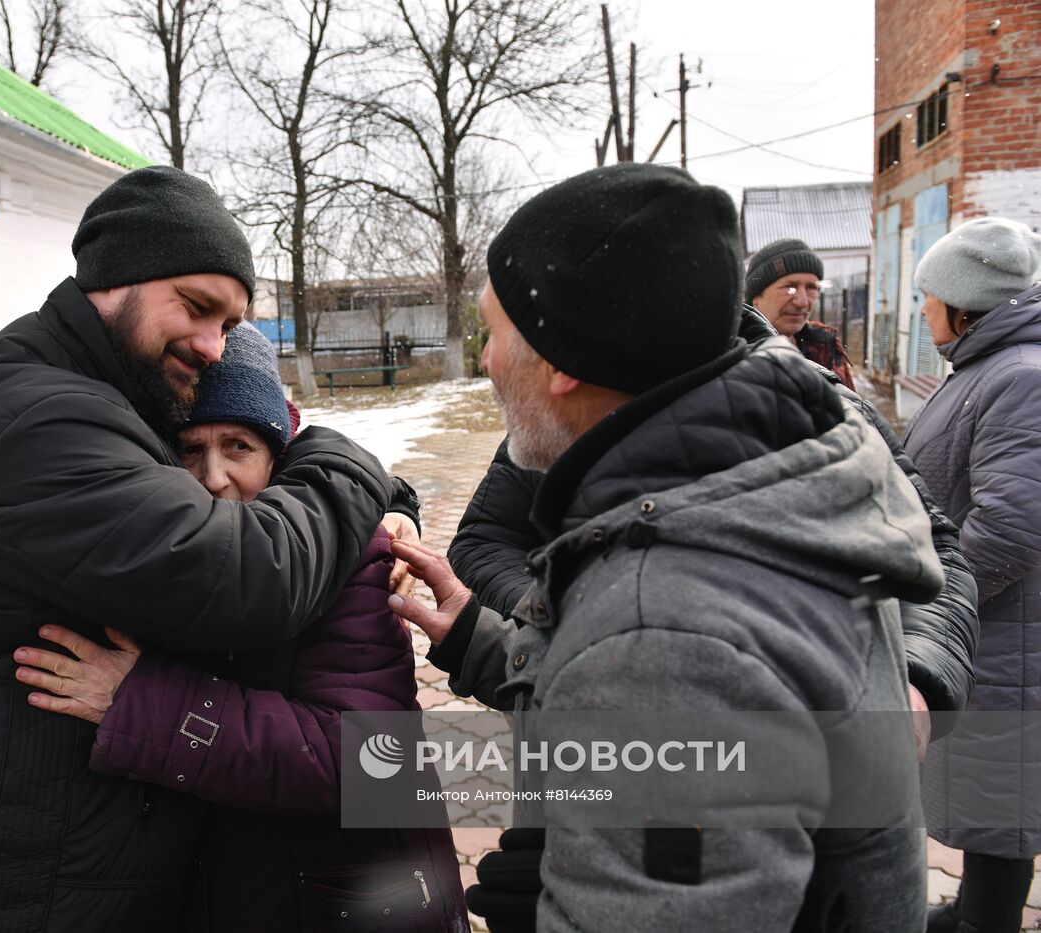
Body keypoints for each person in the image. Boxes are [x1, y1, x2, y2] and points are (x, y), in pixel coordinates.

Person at [387, 162, 946, 931]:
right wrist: (491, 644)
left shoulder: (661, 623)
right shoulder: (752, 478)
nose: (483, 358)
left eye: (496, 330)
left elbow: (676, 660)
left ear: (564, 364)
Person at [0, 166, 421, 931]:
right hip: (14, 889)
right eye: (197, 308)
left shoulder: (97, 390)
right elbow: (241, 577)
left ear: (280, 451)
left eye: (228, 325)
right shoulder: (47, 417)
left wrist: (378, 496)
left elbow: (385, 767)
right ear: (116, 277)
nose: (209, 343)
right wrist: (359, 470)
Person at [10, 321, 469, 932]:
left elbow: (368, 760)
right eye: (189, 449)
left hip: (349, 892)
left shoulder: (343, 555)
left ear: (279, 454)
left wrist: (141, 704)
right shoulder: (149, 547)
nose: (214, 477)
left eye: (238, 447)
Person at [900, 216, 1041, 933]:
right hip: (997, 629)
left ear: (964, 304)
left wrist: (940, 598)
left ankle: (988, 921)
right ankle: (977, 911)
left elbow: (1014, 528)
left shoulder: (1018, 378)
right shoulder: (991, 369)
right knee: (995, 797)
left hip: (1005, 632)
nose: (921, 308)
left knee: (1003, 797)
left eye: (928, 296)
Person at [745, 237, 856, 387]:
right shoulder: (730, 356)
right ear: (756, 298)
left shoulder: (824, 347)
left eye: (811, 288)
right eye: (790, 287)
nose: (802, 302)